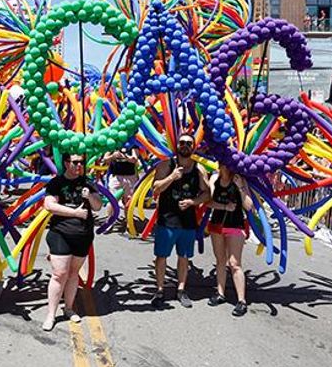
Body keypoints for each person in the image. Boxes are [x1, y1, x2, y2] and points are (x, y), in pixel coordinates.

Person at [41, 152, 101, 331]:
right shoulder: (57, 183)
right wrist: (74, 213)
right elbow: (49, 205)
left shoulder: (88, 182)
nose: (79, 166)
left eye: (81, 162)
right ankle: (51, 314)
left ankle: (68, 308)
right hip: (61, 233)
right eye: (75, 162)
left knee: (73, 273)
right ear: (66, 163)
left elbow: (98, 206)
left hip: (83, 235)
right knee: (60, 274)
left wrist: (89, 196)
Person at [149, 134, 211, 308]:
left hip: (187, 222)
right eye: (182, 143)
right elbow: (155, 189)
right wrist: (172, 177)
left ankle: (181, 290)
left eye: (188, 143)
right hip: (167, 220)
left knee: (184, 257)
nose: (185, 145)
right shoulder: (166, 165)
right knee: (161, 257)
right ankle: (160, 290)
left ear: (193, 147)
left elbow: (206, 193)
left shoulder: (199, 169)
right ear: (177, 145)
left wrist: (193, 202)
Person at [206, 165, 253, 316]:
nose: (225, 166)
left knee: (234, 263)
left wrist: (240, 188)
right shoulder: (214, 178)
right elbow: (208, 201)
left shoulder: (240, 179)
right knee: (220, 260)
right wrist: (224, 206)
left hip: (235, 225)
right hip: (217, 225)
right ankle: (220, 293)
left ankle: (241, 301)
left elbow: (249, 206)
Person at [102, 147, 138, 228]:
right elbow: (105, 160)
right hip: (115, 177)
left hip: (130, 177)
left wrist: (126, 157)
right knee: (112, 200)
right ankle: (109, 222)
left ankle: (129, 222)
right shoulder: (113, 144)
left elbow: (135, 159)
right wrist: (113, 156)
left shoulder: (132, 145)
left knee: (128, 200)